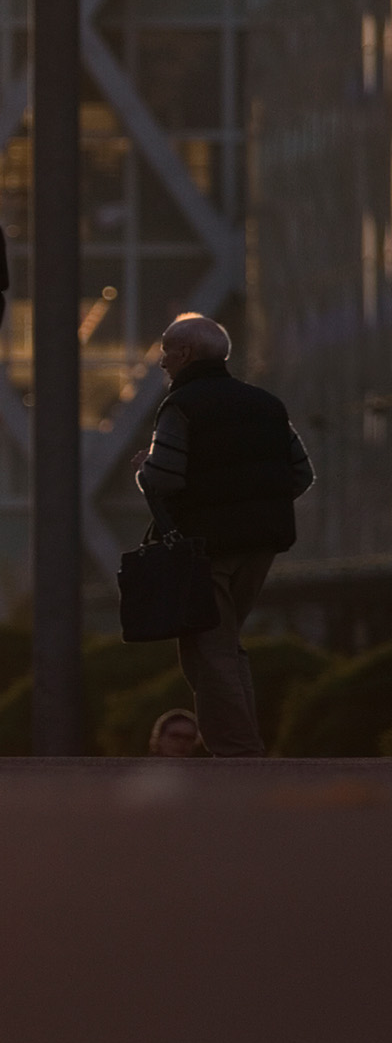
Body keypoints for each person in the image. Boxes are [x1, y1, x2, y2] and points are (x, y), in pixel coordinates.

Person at [133, 311, 312, 760]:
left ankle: (239, 753)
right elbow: (302, 474)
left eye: (166, 351)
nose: (161, 362)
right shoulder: (268, 405)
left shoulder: (181, 406)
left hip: (204, 548)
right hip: (262, 543)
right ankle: (238, 745)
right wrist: (256, 506)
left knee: (210, 649)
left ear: (186, 353)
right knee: (223, 644)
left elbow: (164, 479)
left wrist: (143, 471)